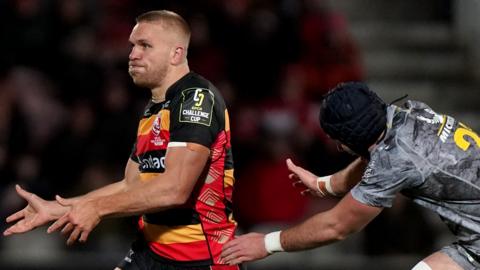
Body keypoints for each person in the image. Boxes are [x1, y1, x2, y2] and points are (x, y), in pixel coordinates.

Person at [4, 10, 241, 270]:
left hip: (199, 258)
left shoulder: (196, 98)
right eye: (132, 45)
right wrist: (59, 209)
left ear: (176, 54)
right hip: (151, 252)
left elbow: (175, 189)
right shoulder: (154, 108)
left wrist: (98, 209)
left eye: (145, 45)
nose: (132, 54)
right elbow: (131, 184)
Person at [220, 82, 480, 270]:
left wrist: (267, 243)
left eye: (338, 142)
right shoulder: (408, 114)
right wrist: (325, 185)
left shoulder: (395, 160)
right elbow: (375, 156)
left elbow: (337, 226)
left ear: (346, 143)